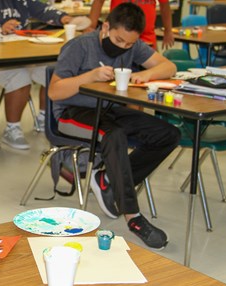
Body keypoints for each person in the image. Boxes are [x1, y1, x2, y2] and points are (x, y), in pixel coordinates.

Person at [48, 3, 180, 249]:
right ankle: (133, 217)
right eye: (119, 40)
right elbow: (55, 92)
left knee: (168, 134)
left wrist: (145, 75)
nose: (124, 47)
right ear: (106, 27)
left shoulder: (133, 44)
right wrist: (90, 76)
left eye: (130, 44)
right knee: (114, 135)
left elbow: (169, 67)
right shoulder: (80, 46)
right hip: (71, 113)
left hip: (111, 110)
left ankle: (107, 177)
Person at [0, 0, 86, 150]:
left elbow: (43, 9)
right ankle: (12, 129)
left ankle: (43, 117)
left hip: (18, 55)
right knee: (19, 77)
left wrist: (65, 18)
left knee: (51, 73)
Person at [86, 0, 174, 50]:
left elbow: (165, 6)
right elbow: (98, 2)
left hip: (147, 38)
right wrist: (91, 26)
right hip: (118, 38)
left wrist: (168, 30)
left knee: (152, 72)